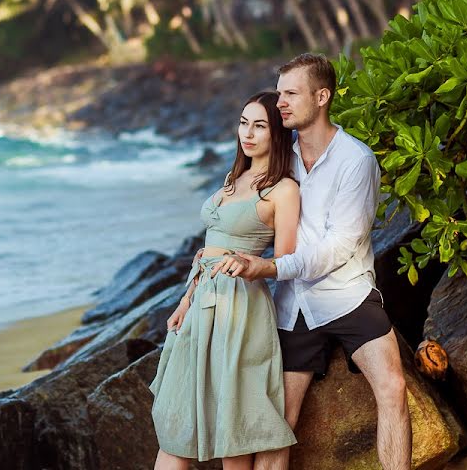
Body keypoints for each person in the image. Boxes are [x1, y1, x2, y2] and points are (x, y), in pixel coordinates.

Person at [212, 53, 412, 470]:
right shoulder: (279, 161)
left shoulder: (356, 160)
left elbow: (341, 245)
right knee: (278, 424)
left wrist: (268, 267)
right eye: (279, 92)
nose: (280, 102)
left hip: (349, 296)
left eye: (290, 93)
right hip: (293, 306)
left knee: (392, 387)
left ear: (322, 97)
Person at [150, 91, 301, 470]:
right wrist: (184, 302)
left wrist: (249, 262)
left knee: (234, 428)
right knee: (176, 419)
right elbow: (207, 249)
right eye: (243, 123)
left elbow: (285, 262)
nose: (247, 133)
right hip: (200, 302)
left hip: (240, 308)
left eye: (260, 125)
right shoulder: (235, 176)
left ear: (278, 132)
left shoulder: (284, 189)